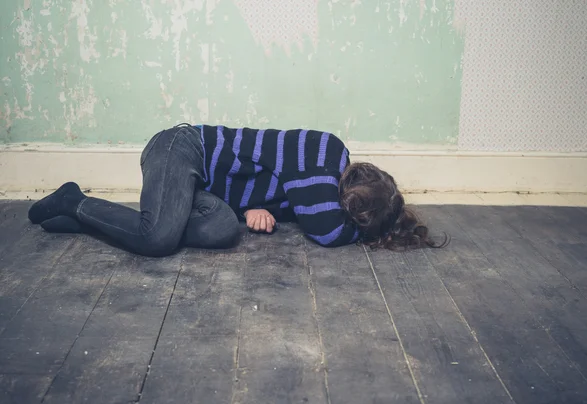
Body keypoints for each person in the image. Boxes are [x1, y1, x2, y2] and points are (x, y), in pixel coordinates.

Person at [28, 123, 447, 256]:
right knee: (157, 238)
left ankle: (91, 222)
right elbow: (325, 230)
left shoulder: (316, 185)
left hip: (209, 191)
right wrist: (364, 232)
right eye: (350, 207)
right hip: (185, 148)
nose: (342, 210)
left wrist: (249, 210)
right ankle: (74, 199)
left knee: (221, 232)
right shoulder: (323, 156)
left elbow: (289, 200)